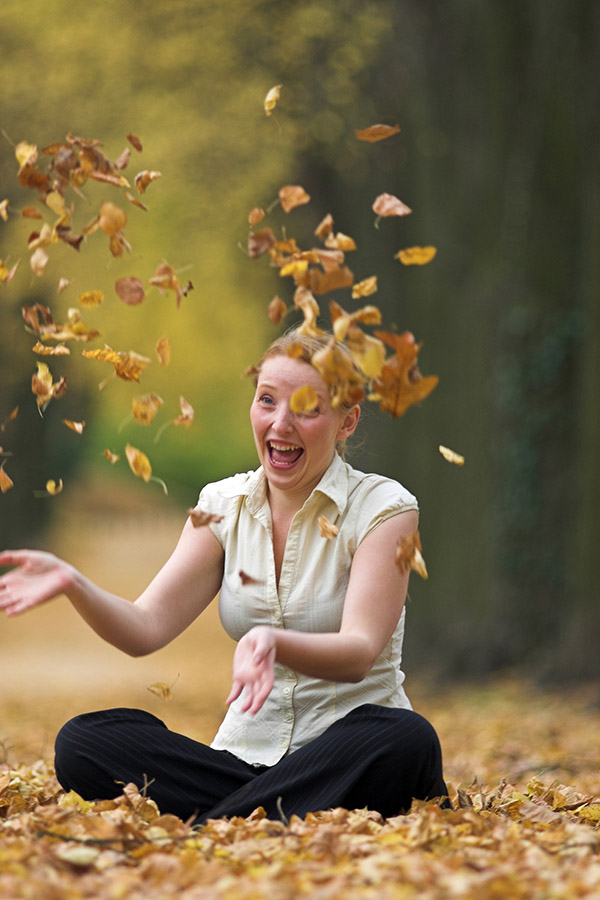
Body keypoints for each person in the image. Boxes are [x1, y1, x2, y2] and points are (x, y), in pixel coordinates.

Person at [0, 328, 450, 823]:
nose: (281, 424)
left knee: (408, 740)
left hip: (350, 754)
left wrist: (272, 641)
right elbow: (144, 627)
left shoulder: (385, 508)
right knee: (83, 742)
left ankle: (221, 820)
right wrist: (73, 583)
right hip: (242, 763)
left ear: (347, 421)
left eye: (306, 408)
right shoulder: (221, 507)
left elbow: (361, 650)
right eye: (266, 400)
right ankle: (257, 811)